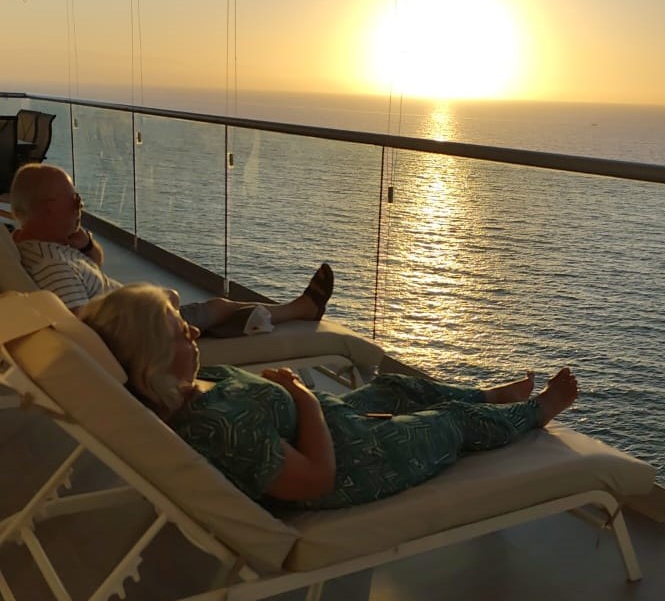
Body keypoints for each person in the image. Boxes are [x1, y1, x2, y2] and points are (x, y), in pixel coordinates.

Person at [80, 283, 580, 511]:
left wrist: (298, 400)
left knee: (395, 386)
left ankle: (487, 396)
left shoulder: (189, 389)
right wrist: (304, 397)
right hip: (358, 462)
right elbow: (316, 479)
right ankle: (535, 413)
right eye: (176, 331)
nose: (192, 329)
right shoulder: (218, 426)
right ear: (148, 359)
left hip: (337, 422)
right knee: (450, 421)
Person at [9, 163, 333, 336]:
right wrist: (154, 305)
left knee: (218, 307)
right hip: (145, 331)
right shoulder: (54, 266)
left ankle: (297, 308)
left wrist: (86, 244)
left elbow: (92, 265)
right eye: (75, 199)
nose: (81, 204)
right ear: (49, 209)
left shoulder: (39, 245)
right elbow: (83, 326)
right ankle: (301, 309)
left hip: (139, 317)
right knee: (217, 311)